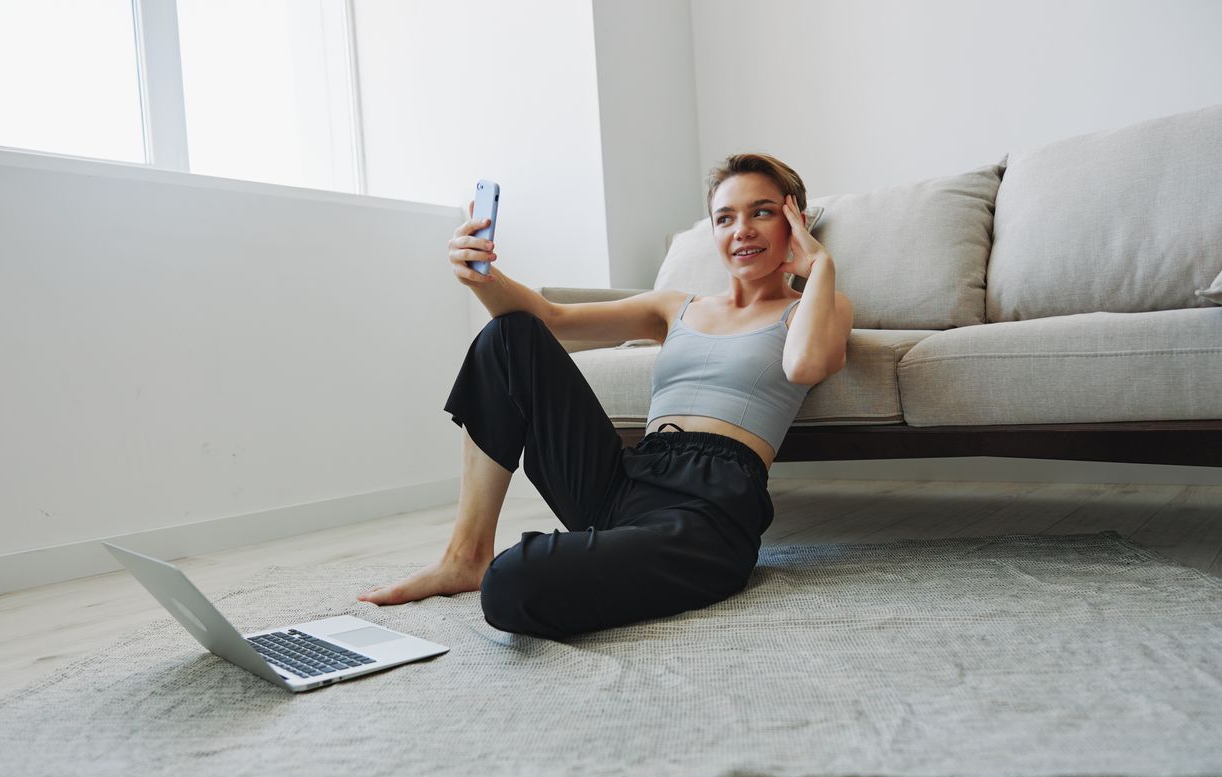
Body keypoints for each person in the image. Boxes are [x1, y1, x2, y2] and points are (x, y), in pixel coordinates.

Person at [358, 153, 853, 640]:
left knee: (513, 584)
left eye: (762, 212)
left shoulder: (817, 308)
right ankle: (465, 556)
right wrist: (481, 274)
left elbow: (804, 365)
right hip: (626, 479)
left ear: (796, 221)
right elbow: (553, 320)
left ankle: (581, 560)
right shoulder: (675, 306)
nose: (741, 229)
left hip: (708, 509)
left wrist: (820, 266)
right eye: (725, 217)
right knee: (508, 335)